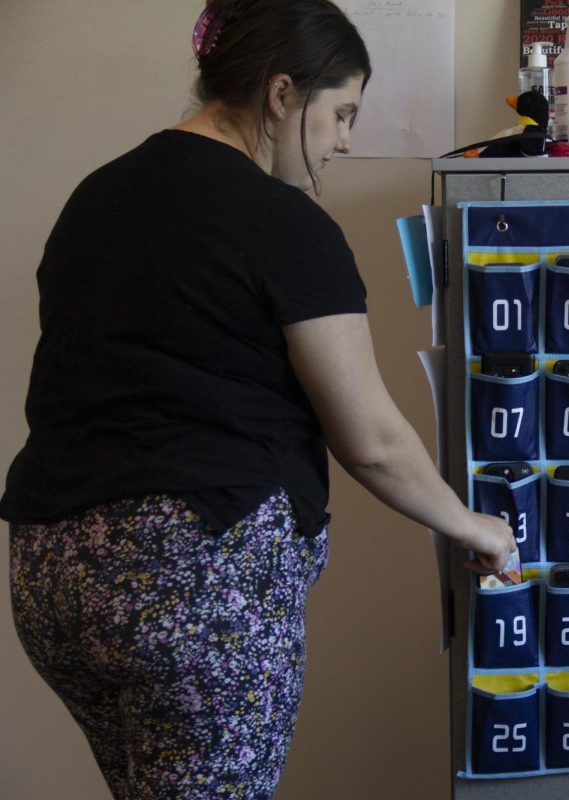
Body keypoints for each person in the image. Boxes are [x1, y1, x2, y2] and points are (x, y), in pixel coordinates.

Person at [1, 1, 514, 797]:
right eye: (341, 112)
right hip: (193, 588)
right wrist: (470, 523)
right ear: (282, 95)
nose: (344, 139)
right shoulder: (284, 224)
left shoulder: (94, 199)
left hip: (52, 580)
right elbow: (370, 437)